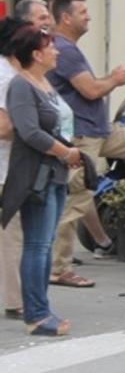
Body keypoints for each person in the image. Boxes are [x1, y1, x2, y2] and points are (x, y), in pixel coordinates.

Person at [48, 0, 125, 289]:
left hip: (100, 130)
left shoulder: (70, 48)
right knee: (77, 200)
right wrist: (117, 78)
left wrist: (113, 78)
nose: (88, 16)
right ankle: (58, 268)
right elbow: (91, 91)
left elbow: (90, 87)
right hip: (83, 136)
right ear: (65, 18)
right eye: (82, 12)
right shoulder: (64, 50)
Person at [18, 0, 115, 260]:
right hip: (59, 147)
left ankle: (56, 269)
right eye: (41, 19)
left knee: (75, 196)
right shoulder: (20, 78)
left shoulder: (42, 75)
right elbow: (29, 129)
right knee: (36, 238)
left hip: (72, 142)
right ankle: (57, 268)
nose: (48, 24)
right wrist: (65, 150)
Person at [1, 25, 82, 335]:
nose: (57, 51)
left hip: (56, 173)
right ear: (36, 54)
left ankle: (43, 308)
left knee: (45, 244)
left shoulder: (44, 82)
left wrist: (69, 154)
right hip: (37, 174)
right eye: (51, 47)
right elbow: (29, 131)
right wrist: (65, 151)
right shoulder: (21, 86)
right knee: (36, 245)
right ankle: (35, 315)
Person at [0, 17, 27, 320]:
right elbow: (4, 128)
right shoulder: (6, 77)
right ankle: (15, 299)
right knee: (12, 236)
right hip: (7, 167)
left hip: (12, 167)